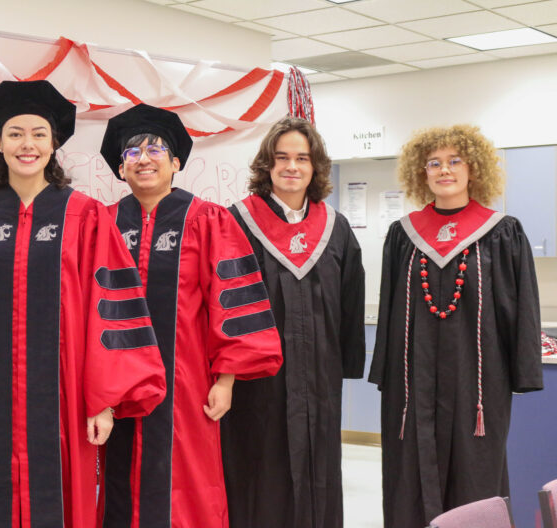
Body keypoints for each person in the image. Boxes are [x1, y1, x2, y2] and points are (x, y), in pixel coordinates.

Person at [0, 81, 167, 528]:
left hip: (64, 394)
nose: (28, 144)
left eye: (39, 133)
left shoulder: (85, 216)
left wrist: (102, 401)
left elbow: (111, 310)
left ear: (54, 143)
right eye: (15, 133)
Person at [98, 104, 283, 528]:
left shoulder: (207, 220)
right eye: (131, 152)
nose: (143, 158)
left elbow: (231, 302)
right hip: (119, 386)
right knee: (120, 481)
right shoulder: (104, 223)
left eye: (155, 149)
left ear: (176, 161)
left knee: (189, 482)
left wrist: (226, 379)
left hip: (187, 383)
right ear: (120, 168)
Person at [369, 124, 543, 527]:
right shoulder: (403, 235)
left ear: (473, 168)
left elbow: (523, 308)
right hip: (413, 386)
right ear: (422, 171)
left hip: (479, 385)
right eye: (434, 163)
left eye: (454, 161)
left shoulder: (503, 232)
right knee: (410, 470)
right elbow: (391, 307)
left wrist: (524, 371)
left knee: (475, 470)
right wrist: (386, 374)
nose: (443, 170)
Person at [220, 116, 366, 528]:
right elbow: (220, 305)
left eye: (302, 158)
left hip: (320, 379)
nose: (292, 167)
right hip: (257, 385)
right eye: (281, 157)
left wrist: (345, 365)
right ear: (266, 166)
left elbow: (351, 299)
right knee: (260, 468)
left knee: (320, 467)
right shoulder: (236, 223)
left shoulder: (335, 228)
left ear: (315, 167)